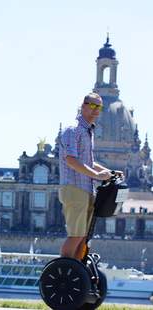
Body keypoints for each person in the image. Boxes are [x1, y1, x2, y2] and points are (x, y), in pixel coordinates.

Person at [58, 92, 121, 260]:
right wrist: (97, 175)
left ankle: (77, 269)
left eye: (98, 107)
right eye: (92, 105)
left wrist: (109, 172)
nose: (95, 110)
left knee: (83, 237)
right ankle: (64, 270)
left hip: (86, 189)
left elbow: (88, 162)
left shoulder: (87, 131)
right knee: (76, 235)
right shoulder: (74, 130)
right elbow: (71, 160)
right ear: (83, 106)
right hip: (74, 188)